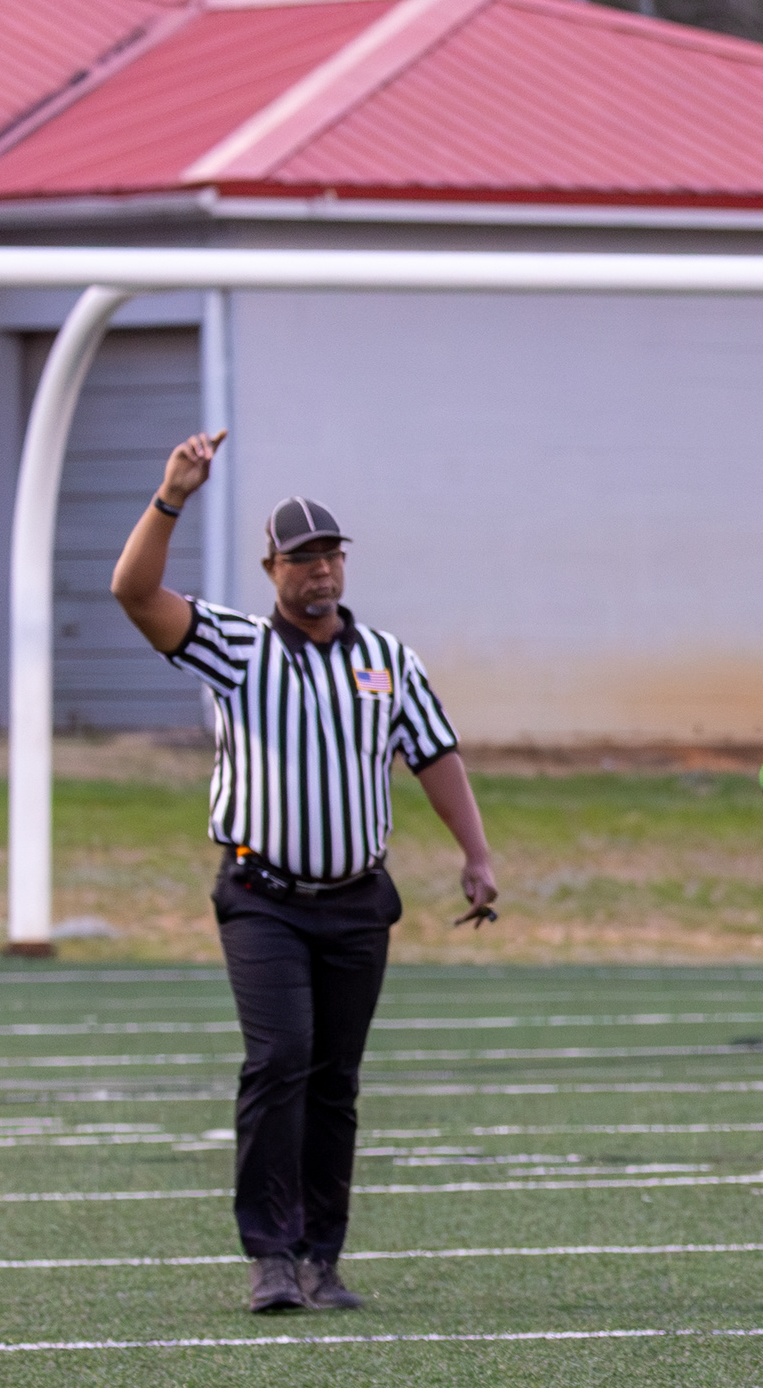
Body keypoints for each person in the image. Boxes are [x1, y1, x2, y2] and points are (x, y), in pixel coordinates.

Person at [107, 432, 496, 1315]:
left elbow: (435, 756)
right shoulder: (237, 647)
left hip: (357, 901)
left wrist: (476, 854)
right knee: (280, 1058)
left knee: (335, 1080)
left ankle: (323, 1255)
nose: (320, 572)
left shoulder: (389, 660)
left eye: (331, 556)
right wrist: (172, 496)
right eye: (302, 559)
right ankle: (270, 1256)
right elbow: (133, 592)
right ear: (271, 569)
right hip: (265, 898)